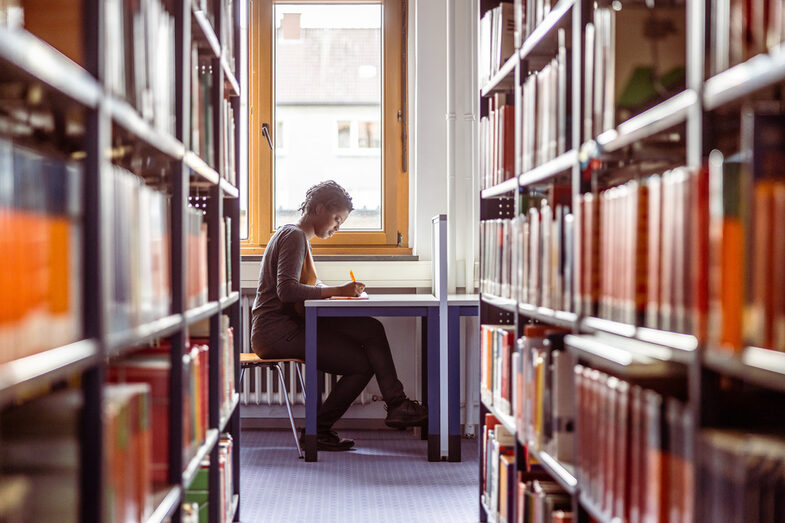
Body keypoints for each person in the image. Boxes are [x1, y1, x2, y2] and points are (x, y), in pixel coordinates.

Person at [250, 180, 428, 451]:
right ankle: (325, 428)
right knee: (362, 359)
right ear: (319, 209)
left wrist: (338, 293)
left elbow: (302, 287)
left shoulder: (294, 236)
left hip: (289, 326)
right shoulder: (295, 236)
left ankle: (395, 405)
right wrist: (337, 289)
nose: (337, 227)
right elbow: (286, 291)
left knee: (370, 329)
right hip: (277, 332)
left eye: (341, 222)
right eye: (336, 219)